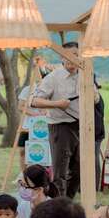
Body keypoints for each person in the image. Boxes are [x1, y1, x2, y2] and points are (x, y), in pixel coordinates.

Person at [31, 42, 82, 198]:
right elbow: (34, 101)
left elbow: (94, 97)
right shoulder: (53, 77)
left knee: (80, 169)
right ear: (61, 56)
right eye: (68, 55)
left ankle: (68, 202)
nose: (71, 58)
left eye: (75, 54)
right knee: (61, 171)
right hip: (60, 126)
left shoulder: (85, 74)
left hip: (82, 126)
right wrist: (56, 104)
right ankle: (58, 207)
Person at [94, 77, 105, 191]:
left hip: (96, 133)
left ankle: (94, 186)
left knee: (93, 159)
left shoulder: (96, 97)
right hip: (96, 132)